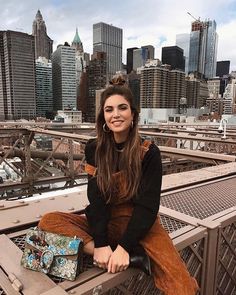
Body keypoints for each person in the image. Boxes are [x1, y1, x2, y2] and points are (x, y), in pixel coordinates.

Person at [38, 75, 198, 295]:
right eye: (109, 109)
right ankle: (127, 256)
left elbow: (148, 207)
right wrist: (101, 245)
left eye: (122, 108)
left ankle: (126, 251)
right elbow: (96, 201)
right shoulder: (94, 149)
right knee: (50, 221)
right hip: (107, 223)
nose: (115, 115)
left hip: (141, 227)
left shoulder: (149, 152)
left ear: (133, 114)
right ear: (103, 117)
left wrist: (123, 246)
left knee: (183, 287)